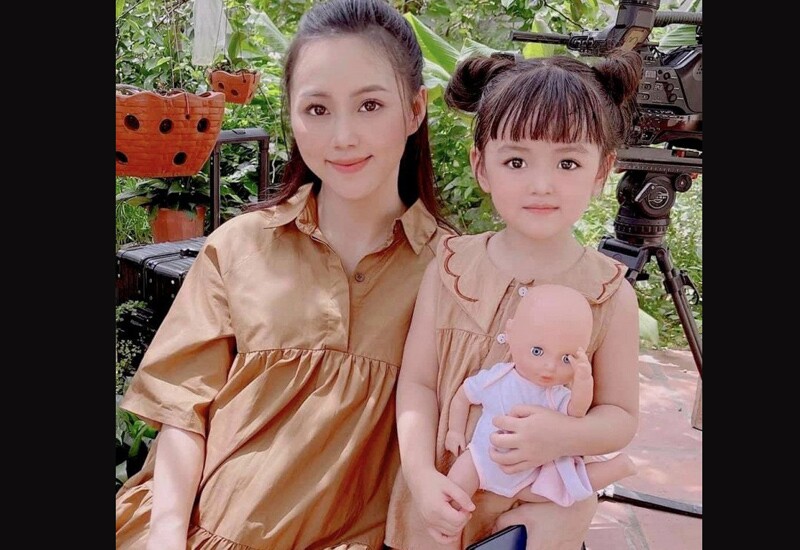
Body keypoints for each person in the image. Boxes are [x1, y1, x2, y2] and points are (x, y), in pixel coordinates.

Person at [115, 0, 454, 548]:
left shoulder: (456, 272)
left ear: (415, 110)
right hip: (200, 532)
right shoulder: (240, 246)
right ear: (292, 116)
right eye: (317, 109)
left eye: (370, 105)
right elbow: (183, 413)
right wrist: (167, 534)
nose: (342, 136)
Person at [386, 50, 643, 550]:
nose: (541, 185)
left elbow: (620, 416)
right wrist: (419, 474)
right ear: (481, 166)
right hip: (444, 499)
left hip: (542, 511)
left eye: (568, 162)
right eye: (516, 161)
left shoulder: (610, 294)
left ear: (602, 171)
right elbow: (418, 383)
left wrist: (562, 436)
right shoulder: (450, 268)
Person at [445, 284, 636, 508]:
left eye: (566, 359)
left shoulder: (555, 395)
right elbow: (463, 396)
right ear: (510, 333)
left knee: (559, 490)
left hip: (529, 474)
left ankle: (616, 468)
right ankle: (450, 522)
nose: (549, 367)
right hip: (481, 460)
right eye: (537, 351)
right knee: (455, 486)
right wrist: (454, 430)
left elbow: (577, 412)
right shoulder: (497, 378)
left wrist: (583, 382)